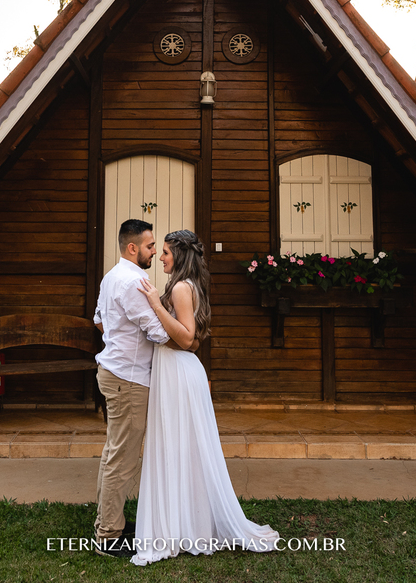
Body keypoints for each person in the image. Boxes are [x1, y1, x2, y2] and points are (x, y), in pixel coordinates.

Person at [130, 229, 280, 565]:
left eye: (166, 252)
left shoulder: (182, 288)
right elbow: (192, 340)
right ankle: (183, 521)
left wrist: (154, 303)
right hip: (175, 370)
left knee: (182, 447)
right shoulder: (184, 286)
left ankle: (186, 525)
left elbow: (186, 339)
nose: (161, 257)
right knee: (180, 448)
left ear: (180, 255)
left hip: (179, 372)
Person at [91, 219, 198, 558]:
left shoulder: (112, 276)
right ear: (133, 248)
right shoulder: (134, 281)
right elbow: (161, 333)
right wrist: (182, 336)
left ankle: (111, 522)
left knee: (114, 452)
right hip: (129, 379)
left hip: (114, 372)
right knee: (121, 458)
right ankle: (108, 534)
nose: (155, 252)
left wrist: (119, 335)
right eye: (152, 246)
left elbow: (98, 319)